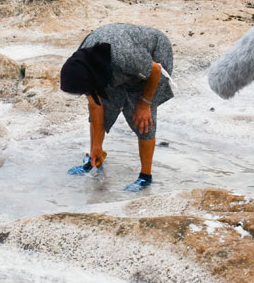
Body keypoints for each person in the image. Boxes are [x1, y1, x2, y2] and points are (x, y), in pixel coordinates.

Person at [59, 23, 174, 192]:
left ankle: (145, 177)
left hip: (153, 59)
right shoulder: (81, 63)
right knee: (107, 104)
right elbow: (95, 105)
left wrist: (145, 104)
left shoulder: (124, 56)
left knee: (143, 120)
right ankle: (95, 157)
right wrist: (95, 147)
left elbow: (155, 70)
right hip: (112, 66)